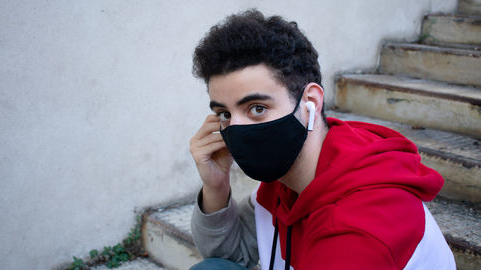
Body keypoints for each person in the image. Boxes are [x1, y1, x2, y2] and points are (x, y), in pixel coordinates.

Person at [188, 9, 455, 270]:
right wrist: (216, 186)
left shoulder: (358, 230)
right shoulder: (286, 176)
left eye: (257, 108)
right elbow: (229, 257)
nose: (236, 129)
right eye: (224, 113)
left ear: (311, 102)